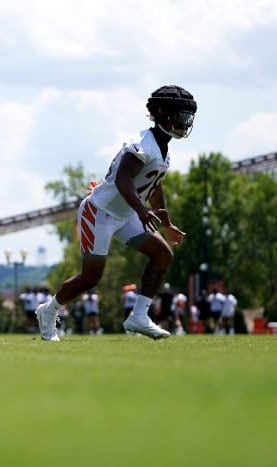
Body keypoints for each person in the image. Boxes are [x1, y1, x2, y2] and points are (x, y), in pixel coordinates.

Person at [36, 85, 196, 341]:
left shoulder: (162, 148)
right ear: (162, 114)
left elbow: (153, 185)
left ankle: (139, 317)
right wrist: (141, 210)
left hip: (126, 213)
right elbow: (123, 179)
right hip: (99, 212)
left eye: (186, 118)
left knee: (163, 255)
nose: (183, 123)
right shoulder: (144, 143)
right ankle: (48, 311)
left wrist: (166, 222)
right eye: (179, 116)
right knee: (91, 278)